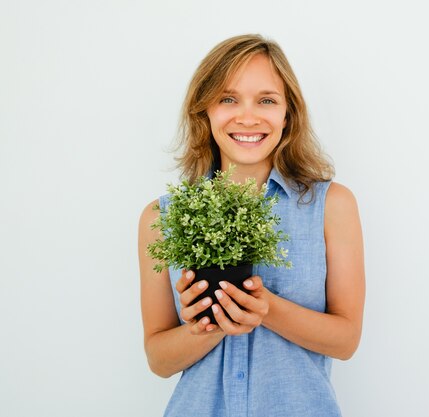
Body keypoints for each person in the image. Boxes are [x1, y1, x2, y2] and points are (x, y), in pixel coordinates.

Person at [137, 34, 365, 417]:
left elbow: (346, 341)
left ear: (287, 113)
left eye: (266, 100)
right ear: (203, 111)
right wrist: (208, 324)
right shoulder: (161, 218)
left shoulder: (331, 205)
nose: (247, 116)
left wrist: (264, 309)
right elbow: (159, 360)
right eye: (228, 99)